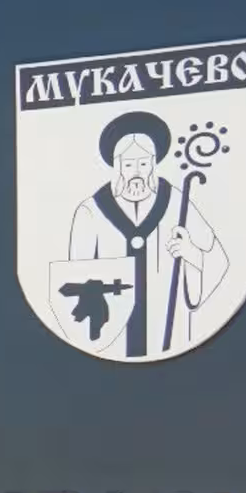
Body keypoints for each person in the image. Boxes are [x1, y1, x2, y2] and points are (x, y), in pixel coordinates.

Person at [67, 111, 228, 358]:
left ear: (153, 163)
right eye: (128, 164)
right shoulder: (90, 211)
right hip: (110, 332)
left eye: (143, 163)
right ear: (117, 166)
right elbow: (76, 277)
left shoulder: (176, 202)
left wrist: (191, 254)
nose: (136, 172)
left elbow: (217, 258)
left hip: (169, 332)